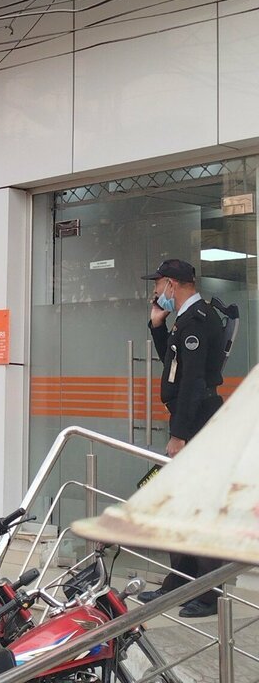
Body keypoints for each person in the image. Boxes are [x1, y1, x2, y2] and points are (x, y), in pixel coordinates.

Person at [137, 258, 226, 618]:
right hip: (191, 418)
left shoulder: (198, 321)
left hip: (198, 420)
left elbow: (192, 384)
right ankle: (181, 579)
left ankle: (208, 592)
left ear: (173, 284)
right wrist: (158, 327)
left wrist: (179, 435)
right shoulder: (185, 320)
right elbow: (173, 368)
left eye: (158, 285)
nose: (155, 292)